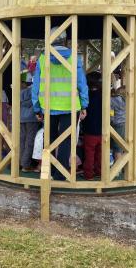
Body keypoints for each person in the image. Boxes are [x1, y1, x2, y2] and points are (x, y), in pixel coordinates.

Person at [32, 28, 89, 180]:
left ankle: (47, 172)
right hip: (70, 107)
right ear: (64, 40)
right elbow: (82, 83)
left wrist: (36, 107)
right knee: (66, 141)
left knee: (48, 139)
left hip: (48, 106)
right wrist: (84, 105)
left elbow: (36, 85)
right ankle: (61, 174)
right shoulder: (74, 58)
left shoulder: (43, 59)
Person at [82, 71, 103, 180]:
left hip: (89, 130)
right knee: (100, 153)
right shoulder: (103, 95)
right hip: (102, 130)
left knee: (89, 153)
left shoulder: (86, 96)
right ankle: (99, 172)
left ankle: (88, 174)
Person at [19, 71, 39, 172]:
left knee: (21, 140)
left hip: (21, 118)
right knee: (30, 141)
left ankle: (20, 162)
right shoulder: (34, 91)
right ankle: (26, 165)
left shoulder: (18, 92)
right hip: (32, 119)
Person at [110, 86, 126, 163]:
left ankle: (117, 169)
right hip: (124, 123)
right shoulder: (126, 100)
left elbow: (111, 113)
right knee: (121, 146)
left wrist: (111, 121)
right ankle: (122, 165)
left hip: (116, 124)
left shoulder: (113, 100)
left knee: (116, 147)